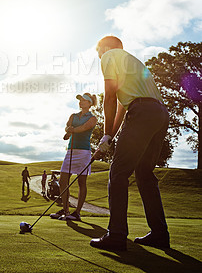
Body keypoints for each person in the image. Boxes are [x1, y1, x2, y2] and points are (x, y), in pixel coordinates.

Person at [90, 35, 170, 252]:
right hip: (160, 114)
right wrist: (109, 136)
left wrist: (105, 134)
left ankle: (116, 235)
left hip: (142, 111)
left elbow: (110, 97)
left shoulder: (109, 55)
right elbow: (122, 108)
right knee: (144, 174)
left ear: (105, 47)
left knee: (118, 173)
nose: (99, 56)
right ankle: (160, 234)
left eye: (98, 51)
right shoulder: (133, 61)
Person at [50, 93, 97, 221]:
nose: (81, 102)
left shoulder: (93, 118)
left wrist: (71, 130)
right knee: (63, 180)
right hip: (71, 151)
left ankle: (77, 213)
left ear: (90, 103)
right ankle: (65, 210)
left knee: (82, 182)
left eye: (84, 100)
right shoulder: (73, 116)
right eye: (80, 100)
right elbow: (67, 127)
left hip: (83, 152)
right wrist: (68, 130)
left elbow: (82, 128)